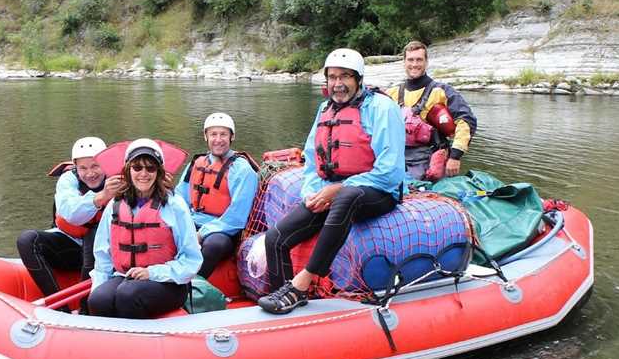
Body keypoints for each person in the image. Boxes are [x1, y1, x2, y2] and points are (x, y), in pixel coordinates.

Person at [257, 49, 406, 314]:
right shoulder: (325, 109)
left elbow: (391, 171)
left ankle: (302, 283)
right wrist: (312, 193)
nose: (338, 84)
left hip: (378, 191)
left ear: (359, 79)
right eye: (332, 77)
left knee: (346, 197)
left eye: (345, 77)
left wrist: (337, 189)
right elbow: (312, 159)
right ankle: (283, 297)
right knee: (276, 237)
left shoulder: (382, 107)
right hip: (332, 191)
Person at [88, 138, 202, 318]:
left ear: (159, 172)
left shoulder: (174, 205)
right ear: (128, 170)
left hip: (169, 282)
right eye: (137, 167)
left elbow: (191, 259)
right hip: (125, 276)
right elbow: (102, 255)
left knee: (128, 294)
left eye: (150, 168)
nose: (144, 173)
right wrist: (99, 287)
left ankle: (134, 343)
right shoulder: (115, 205)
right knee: (98, 300)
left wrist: (151, 272)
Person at [17, 137, 124, 298]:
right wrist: (102, 196)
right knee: (26, 240)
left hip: (108, 253)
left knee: (95, 234)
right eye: (83, 168)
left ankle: (85, 307)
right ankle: (60, 306)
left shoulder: (120, 179)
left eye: (95, 166)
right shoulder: (68, 180)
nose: (90, 173)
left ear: (106, 164)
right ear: (75, 167)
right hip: (71, 248)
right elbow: (72, 215)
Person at [175, 112, 259, 280]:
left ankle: (192, 286)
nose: (218, 139)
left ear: (232, 137)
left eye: (223, 134)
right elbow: (178, 199)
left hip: (224, 231)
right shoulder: (196, 163)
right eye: (213, 134)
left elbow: (237, 217)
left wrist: (201, 234)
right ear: (205, 136)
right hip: (192, 222)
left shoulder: (242, 170)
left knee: (214, 245)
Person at [385, 40, 477, 181]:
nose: (414, 64)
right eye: (410, 60)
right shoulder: (391, 93)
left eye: (419, 60)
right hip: (398, 156)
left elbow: (466, 120)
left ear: (426, 62)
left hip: (430, 157)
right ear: (404, 62)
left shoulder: (442, 91)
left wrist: (455, 156)